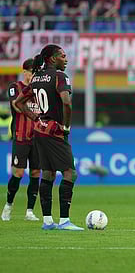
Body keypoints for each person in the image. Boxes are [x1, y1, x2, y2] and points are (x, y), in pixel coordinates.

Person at [14, 45, 83, 231]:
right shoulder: (60, 76)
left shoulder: (36, 77)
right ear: (52, 59)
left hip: (39, 130)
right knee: (70, 172)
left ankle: (47, 221)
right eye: (63, 56)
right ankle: (64, 221)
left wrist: (35, 117)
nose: (66, 59)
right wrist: (66, 127)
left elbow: (18, 102)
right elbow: (66, 104)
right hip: (55, 131)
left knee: (48, 173)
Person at [1, 59, 41, 221]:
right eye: (31, 72)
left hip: (38, 138)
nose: (33, 76)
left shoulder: (41, 91)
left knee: (36, 173)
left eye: (36, 73)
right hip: (21, 136)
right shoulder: (15, 87)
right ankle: (8, 206)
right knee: (17, 172)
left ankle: (29, 211)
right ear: (24, 72)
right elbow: (17, 106)